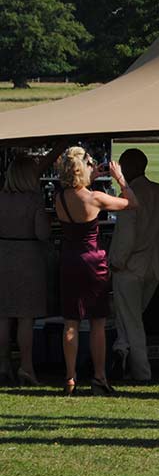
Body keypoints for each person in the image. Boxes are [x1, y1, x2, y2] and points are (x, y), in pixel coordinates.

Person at [53, 147, 136, 395]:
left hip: (69, 259)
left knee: (71, 322)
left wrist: (93, 174)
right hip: (92, 261)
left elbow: (78, 186)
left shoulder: (60, 197)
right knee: (97, 322)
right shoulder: (95, 198)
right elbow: (133, 203)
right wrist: (120, 178)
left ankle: (70, 378)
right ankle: (99, 376)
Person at [107, 148, 159, 382]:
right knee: (132, 317)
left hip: (129, 266)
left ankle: (140, 370)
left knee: (131, 320)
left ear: (130, 167)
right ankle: (121, 350)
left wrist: (116, 261)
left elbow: (126, 235)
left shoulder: (130, 193)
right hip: (155, 265)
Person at [0, 155, 53, 386]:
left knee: (3, 315)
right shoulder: (33, 200)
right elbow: (43, 233)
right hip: (28, 258)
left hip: (3, 254)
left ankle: (2, 364)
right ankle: (26, 366)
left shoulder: (1, 198)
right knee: (25, 317)